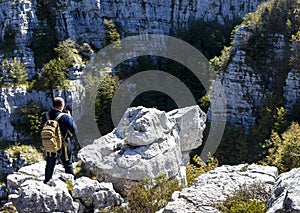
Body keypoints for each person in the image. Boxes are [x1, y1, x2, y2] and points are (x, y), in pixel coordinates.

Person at [41, 97, 77, 184]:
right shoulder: (65, 117)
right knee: (67, 163)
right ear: (62, 105)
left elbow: (42, 127)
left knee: (50, 164)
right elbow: (74, 129)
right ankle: (72, 183)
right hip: (63, 144)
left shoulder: (45, 116)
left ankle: (47, 181)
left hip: (50, 143)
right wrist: (70, 117)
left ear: (52, 105)